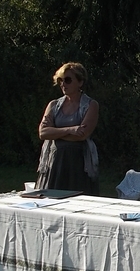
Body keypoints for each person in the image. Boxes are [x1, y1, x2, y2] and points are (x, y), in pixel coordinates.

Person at [36, 62, 99, 195]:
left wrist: (55, 133)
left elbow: (81, 135)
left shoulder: (90, 105)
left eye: (68, 80)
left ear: (80, 82)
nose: (63, 84)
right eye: (60, 80)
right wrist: (70, 130)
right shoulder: (53, 105)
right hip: (55, 162)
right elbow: (42, 133)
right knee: (50, 200)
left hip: (78, 163)